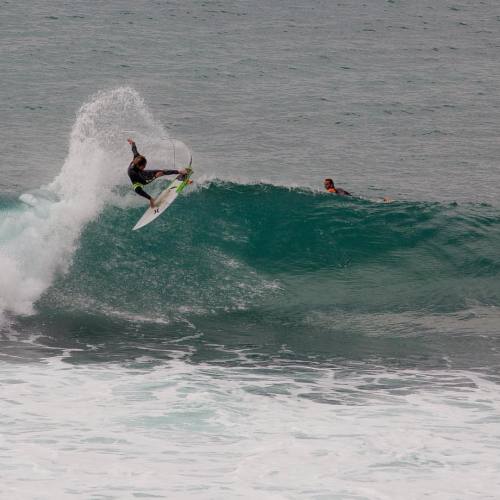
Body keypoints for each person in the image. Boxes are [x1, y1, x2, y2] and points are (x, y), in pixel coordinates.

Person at [127, 138, 187, 208]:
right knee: (137, 189)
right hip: (136, 180)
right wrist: (156, 176)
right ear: (139, 166)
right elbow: (144, 182)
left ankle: (179, 171)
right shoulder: (133, 173)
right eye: (144, 166)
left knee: (160, 171)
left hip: (140, 172)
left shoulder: (137, 157)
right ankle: (151, 199)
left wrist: (132, 143)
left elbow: (134, 149)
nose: (145, 167)